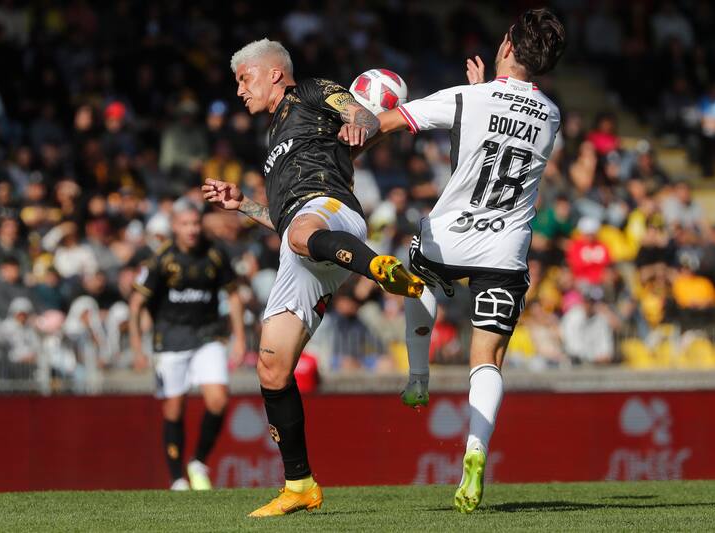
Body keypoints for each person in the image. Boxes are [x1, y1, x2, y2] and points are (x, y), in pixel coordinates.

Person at [201, 38, 424, 517]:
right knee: (271, 368)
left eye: (244, 78)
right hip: (302, 239)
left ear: (274, 74)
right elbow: (284, 224)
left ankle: (379, 268)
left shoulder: (311, 91)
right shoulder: (276, 137)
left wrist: (361, 123)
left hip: (331, 212)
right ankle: (300, 484)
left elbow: (362, 115)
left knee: (304, 231)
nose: (240, 90)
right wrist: (244, 206)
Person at [366, 8, 565, 512]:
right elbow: (497, 137)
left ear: (506, 46)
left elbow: (385, 123)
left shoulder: (465, 98)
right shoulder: (551, 115)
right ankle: (475, 452)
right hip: (505, 248)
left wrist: (349, 113)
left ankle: (418, 377)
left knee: (418, 277)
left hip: (448, 239)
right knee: (488, 359)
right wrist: (478, 97)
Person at [128, 199, 246, 491]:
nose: (192, 229)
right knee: (174, 408)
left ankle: (199, 462)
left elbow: (233, 295)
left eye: (195, 223)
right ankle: (177, 479)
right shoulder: (161, 259)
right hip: (170, 338)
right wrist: (137, 347)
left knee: (219, 399)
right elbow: (136, 302)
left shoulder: (215, 253)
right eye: (185, 224)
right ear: (174, 227)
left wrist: (240, 338)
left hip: (207, 336)